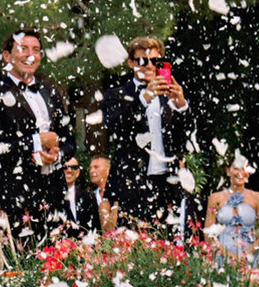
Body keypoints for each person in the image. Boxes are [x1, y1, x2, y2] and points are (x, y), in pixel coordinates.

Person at [0, 30, 73, 247]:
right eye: (23, 49)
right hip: (13, 195)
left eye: (36, 50)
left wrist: (57, 155)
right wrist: (36, 143)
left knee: (59, 264)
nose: (30, 55)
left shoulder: (52, 93)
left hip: (53, 193)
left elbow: (69, 140)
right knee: (19, 269)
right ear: (6, 56)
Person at [100, 37, 193, 230]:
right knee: (131, 246)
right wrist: (142, 99)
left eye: (155, 61)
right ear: (131, 63)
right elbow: (116, 131)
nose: (149, 66)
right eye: (142, 61)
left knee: (168, 247)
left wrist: (181, 106)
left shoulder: (168, 95)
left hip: (167, 183)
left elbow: (186, 141)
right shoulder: (115, 94)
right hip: (132, 182)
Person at [207, 159, 259, 261]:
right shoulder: (215, 198)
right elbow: (208, 234)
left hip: (249, 258)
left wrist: (246, 255)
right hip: (223, 257)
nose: (240, 173)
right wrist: (229, 256)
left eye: (244, 168)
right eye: (236, 168)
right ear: (228, 171)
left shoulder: (258, 197)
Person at [54, 155, 102, 237]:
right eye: (65, 167)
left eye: (74, 167)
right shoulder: (54, 197)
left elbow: (96, 227)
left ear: (78, 172)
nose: (69, 170)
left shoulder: (89, 196)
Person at [89, 155, 114, 232]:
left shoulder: (118, 195)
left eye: (96, 167)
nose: (92, 171)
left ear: (108, 170)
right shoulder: (89, 197)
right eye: (90, 168)